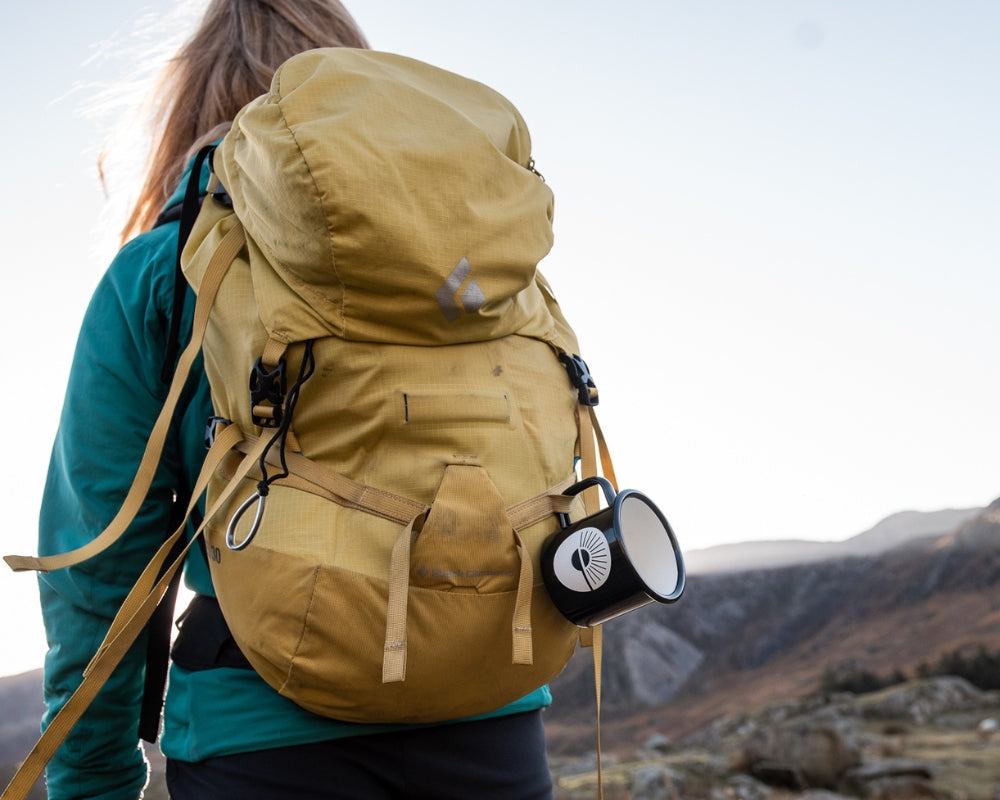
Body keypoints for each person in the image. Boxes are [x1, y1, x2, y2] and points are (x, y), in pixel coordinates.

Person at [38, 2, 556, 798]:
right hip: (495, 732)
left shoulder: (162, 274)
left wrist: (91, 780)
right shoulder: (477, 273)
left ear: (190, 110)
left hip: (261, 744)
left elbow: (101, 568)